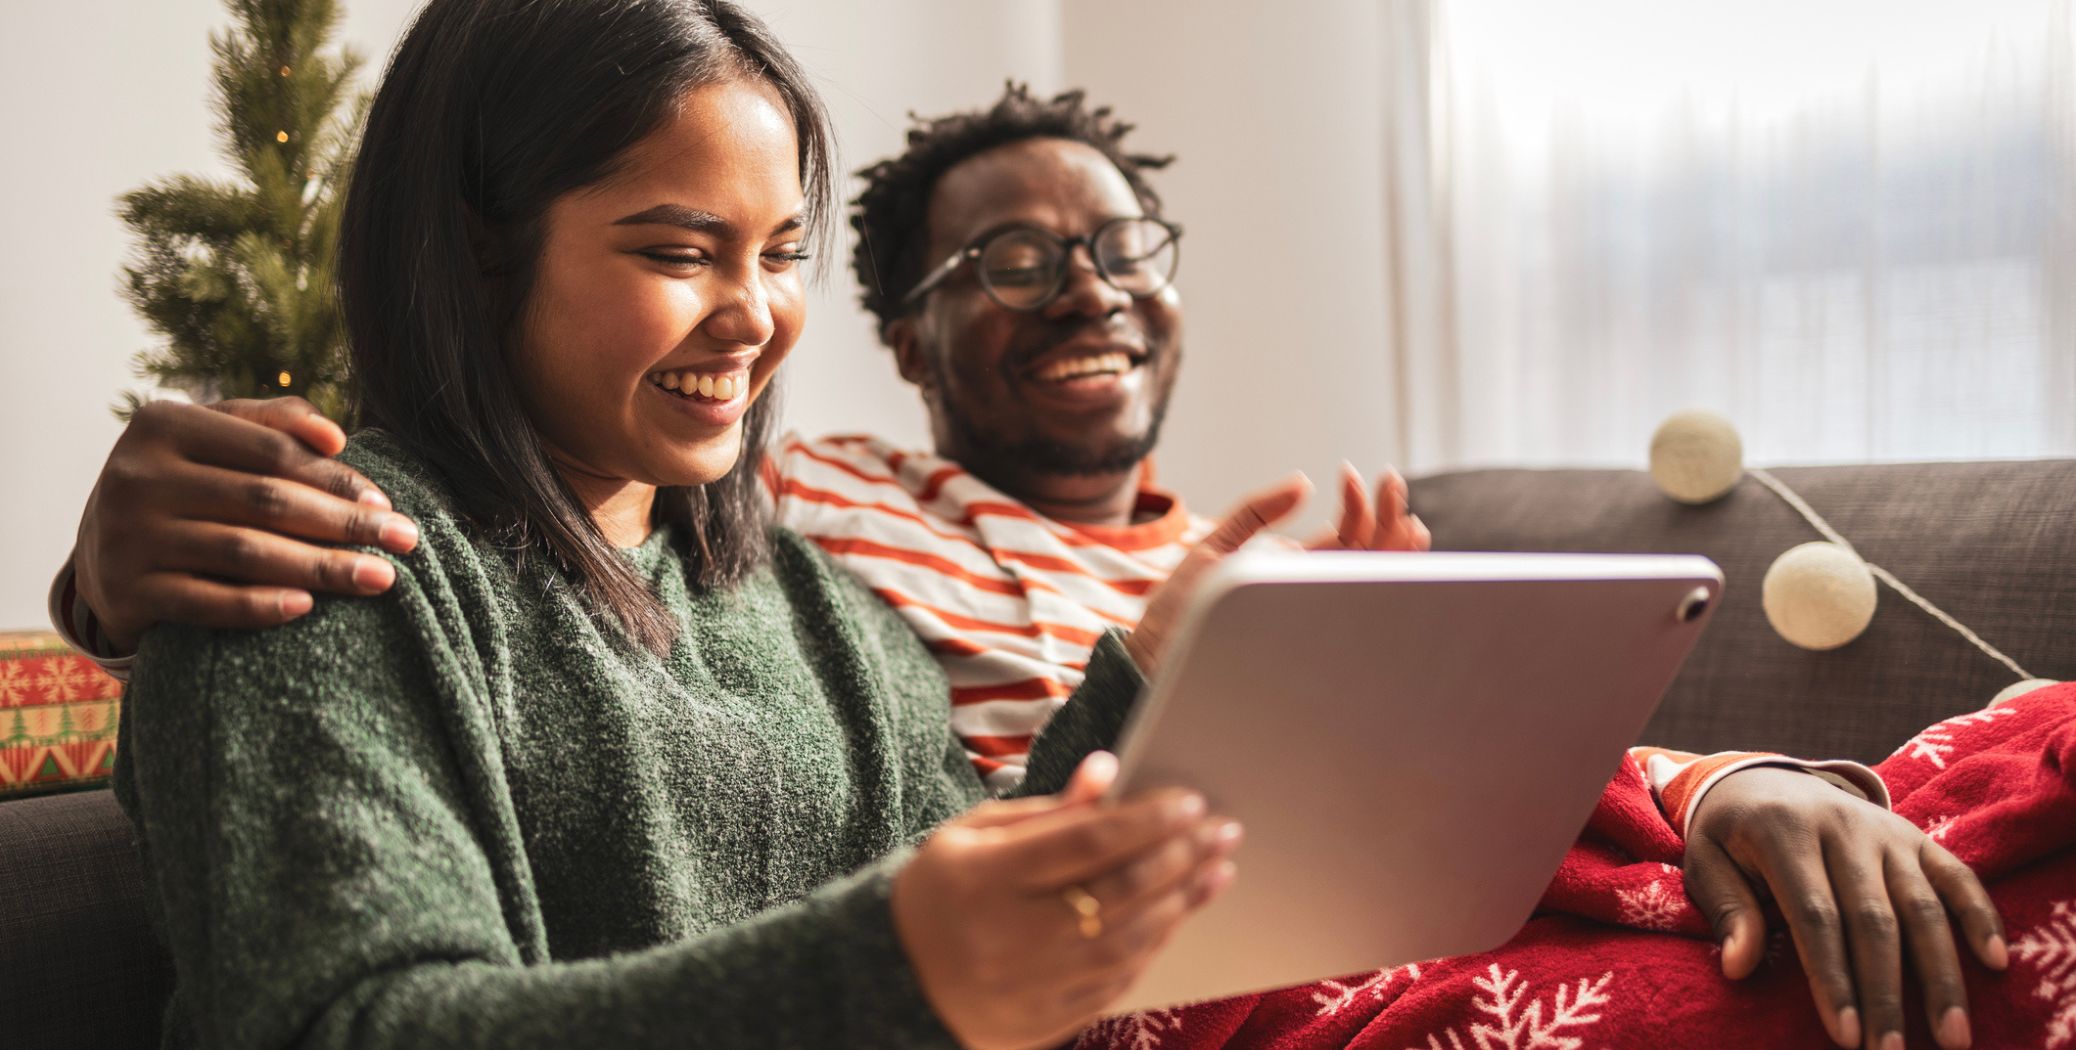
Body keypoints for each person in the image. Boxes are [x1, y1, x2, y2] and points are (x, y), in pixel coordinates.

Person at [63, 80, 2004, 1050]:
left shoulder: (802, 588)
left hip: (1259, 933)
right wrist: (104, 581)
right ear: (909, 346)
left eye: (776, 254)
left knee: (2018, 807)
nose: (1080, 287)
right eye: (682, 246)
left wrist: (1731, 777)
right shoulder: (814, 504)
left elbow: (966, 840)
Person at [104, 2, 1275, 1046]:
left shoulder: (828, 612)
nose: (754, 317)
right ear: (478, 250)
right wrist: (895, 969)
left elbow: (976, 943)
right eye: (679, 252)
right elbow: (352, 1020)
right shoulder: (315, 568)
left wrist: (1147, 680)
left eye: (779, 255)